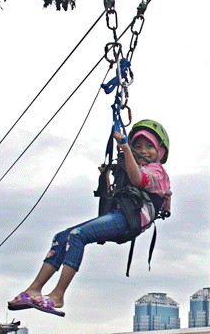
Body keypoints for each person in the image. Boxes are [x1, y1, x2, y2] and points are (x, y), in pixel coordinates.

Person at [10, 120, 172, 316]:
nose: (143, 151)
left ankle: (58, 295)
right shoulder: (129, 169)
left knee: (77, 235)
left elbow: (140, 180)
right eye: (138, 146)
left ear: (160, 150)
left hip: (131, 220)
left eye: (149, 146)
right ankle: (34, 289)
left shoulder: (157, 171)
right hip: (119, 215)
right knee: (62, 236)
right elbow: (113, 195)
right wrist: (105, 176)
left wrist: (126, 149)